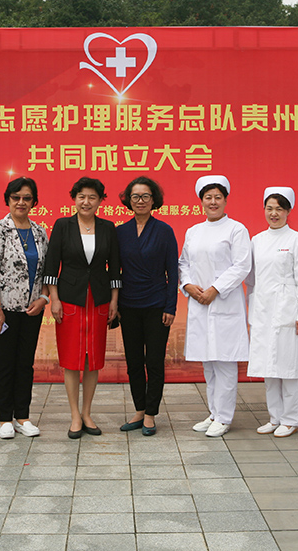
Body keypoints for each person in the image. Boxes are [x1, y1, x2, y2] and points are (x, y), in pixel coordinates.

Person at [44, 177, 121, 439]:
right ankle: (75, 415)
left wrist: (114, 300)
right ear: (74, 199)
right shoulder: (62, 225)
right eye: (81, 196)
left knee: (92, 359)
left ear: (100, 201)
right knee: (71, 359)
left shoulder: (108, 228)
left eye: (92, 197)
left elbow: (115, 267)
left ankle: (87, 413)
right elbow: (52, 265)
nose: (86, 202)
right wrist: (54, 299)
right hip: (69, 299)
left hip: (99, 299)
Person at [179, 175, 252, 438]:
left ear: (225, 200)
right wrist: (188, 285)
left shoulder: (236, 229)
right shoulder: (193, 231)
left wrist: (215, 289)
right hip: (199, 302)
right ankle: (213, 413)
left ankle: (224, 417)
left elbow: (242, 265)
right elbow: (183, 263)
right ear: (201, 201)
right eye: (208, 197)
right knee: (208, 364)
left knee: (225, 363)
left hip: (224, 303)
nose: (213, 202)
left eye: (217, 197)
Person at [0, 177, 49, 440]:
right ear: (8, 200)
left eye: (27, 198)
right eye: (16, 197)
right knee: (5, 364)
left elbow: (47, 272)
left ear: (34, 202)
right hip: (4, 310)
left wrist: (44, 298)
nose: (21, 202)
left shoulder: (40, 232)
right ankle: (4, 419)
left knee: (25, 364)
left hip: (32, 310)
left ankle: (23, 417)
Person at [247, 187, 298, 438]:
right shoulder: (257, 240)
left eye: (279, 209)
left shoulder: (297, 240)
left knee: (288, 368)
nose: (274, 213)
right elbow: (251, 280)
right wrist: (253, 311)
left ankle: (291, 419)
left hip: (288, 309)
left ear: (288, 211)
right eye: (269, 208)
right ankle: (274, 417)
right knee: (268, 369)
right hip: (263, 311)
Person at [116, 176, 179, 437]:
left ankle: (151, 413)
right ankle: (139, 410)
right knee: (133, 362)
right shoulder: (120, 232)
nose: (140, 201)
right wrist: (115, 304)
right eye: (135, 196)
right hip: (128, 305)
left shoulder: (164, 231)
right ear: (128, 200)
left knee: (154, 361)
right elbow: (115, 271)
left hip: (157, 305)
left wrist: (170, 306)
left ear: (154, 200)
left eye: (145, 196)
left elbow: (172, 272)